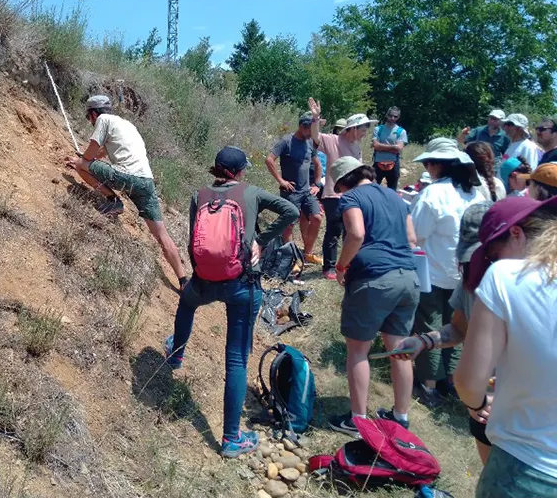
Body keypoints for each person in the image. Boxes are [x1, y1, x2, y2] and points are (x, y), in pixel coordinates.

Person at [165, 146, 299, 458]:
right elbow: (291, 212)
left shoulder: (199, 194)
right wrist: (262, 242)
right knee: (236, 358)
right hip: (243, 283)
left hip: (204, 281)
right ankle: (230, 439)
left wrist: (199, 276)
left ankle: (176, 356)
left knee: (186, 304)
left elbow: (191, 240)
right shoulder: (251, 193)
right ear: (239, 172)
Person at [454, 195, 557, 498]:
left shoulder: (507, 277)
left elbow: (469, 382)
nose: (495, 264)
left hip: (527, 470)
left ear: (516, 233)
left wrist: (476, 403)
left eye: (495, 255)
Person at [324, 157, 420, 437]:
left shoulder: (352, 197)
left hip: (374, 279)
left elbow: (355, 233)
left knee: (357, 350)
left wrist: (341, 266)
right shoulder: (396, 196)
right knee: (399, 351)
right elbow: (412, 239)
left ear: (344, 182)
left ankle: (358, 422)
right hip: (408, 277)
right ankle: (400, 418)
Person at [394, 202, 494, 464]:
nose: (479, 263)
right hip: (483, 404)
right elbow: (460, 328)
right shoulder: (471, 278)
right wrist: (423, 341)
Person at [68, 95, 187, 287]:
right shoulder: (127, 126)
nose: (90, 122)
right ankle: (183, 279)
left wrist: (80, 160)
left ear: (93, 114)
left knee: (80, 166)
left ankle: (113, 201)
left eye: (89, 118)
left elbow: (90, 155)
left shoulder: (103, 120)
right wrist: (87, 157)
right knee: (161, 235)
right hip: (146, 182)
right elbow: (101, 154)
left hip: (127, 177)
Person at [410, 138, 484, 407]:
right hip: (466, 273)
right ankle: (450, 382)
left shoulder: (433, 194)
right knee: (458, 326)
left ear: (437, 165)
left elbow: (417, 234)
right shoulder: (474, 193)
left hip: (434, 272)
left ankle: (429, 386)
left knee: (430, 323)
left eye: (429, 163)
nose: (428, 168)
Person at [308, 97, 377, 280]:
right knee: (334, 229)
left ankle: (347, 264)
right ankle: (328, 267)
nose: (364, 133)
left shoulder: (357, 148)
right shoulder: (332, 140)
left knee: (351, 230)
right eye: (363, 130)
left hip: (354, 195)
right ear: (353, 128)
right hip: (333, 193)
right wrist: (315, 118)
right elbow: (315, 136)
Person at [265, 113, 324, 264]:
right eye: (309, 130)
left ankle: (308, 254)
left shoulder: (310, 142)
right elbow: (269, 159)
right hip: (291, 192)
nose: (311, 133)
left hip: (307, 191)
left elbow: (317, 165)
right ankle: (289, 259)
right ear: (302, 127)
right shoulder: (286, 141)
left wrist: (317, 184)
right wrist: (281, 180)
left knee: (316, 218)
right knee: (289, 225)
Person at [372, 106, 408, 191]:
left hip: (393, 163)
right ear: (387, 115)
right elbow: (375, 145)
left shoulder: (401, 131)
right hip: (378, 163)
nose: (392, 118)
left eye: (395, 116)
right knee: (373, 188)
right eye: (391, 115)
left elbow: (399, 148)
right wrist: (393, 147)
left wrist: (381, 147)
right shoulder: (378, 129)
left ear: (398, 117)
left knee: (392, 190)